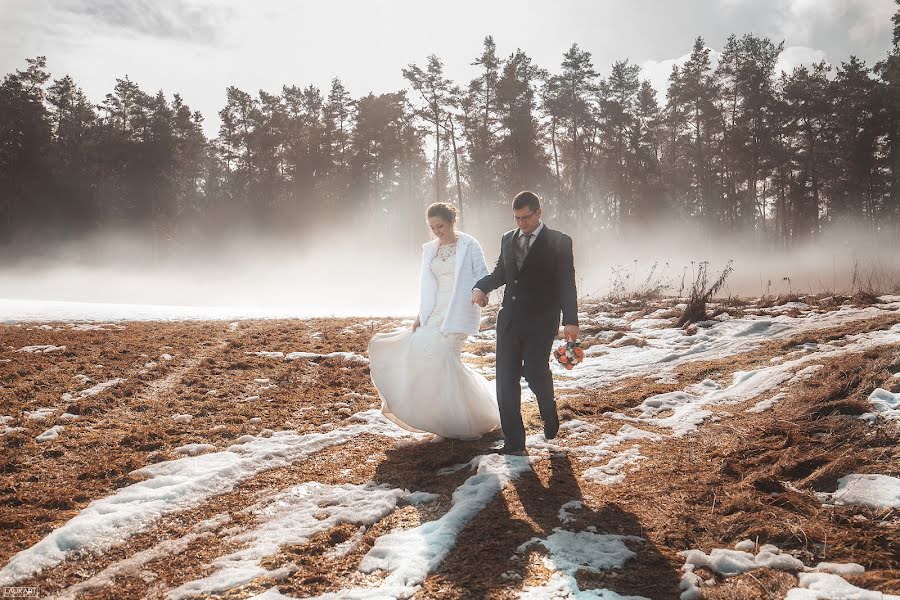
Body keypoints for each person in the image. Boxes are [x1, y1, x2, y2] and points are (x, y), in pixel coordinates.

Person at [368, 202, 501, 440]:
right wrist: (422, 313)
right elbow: (428, 285)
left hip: (459, 309)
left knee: (445, 360)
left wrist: (481, 293)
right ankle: (443, 420)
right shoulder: (430, 249)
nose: (436, 231)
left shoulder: (469, 244)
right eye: (432, 227)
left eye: (440, 225)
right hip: (435, 311)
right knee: (424, 355)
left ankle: (466, 419)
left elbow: (483, 274)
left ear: (452, 221)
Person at [472, 191, 579, 455]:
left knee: (534, 371)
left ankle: (548, 409)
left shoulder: (559, 241)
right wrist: (481, 287)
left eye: (526, 218)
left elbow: (566, 282)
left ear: (538, 213)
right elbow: (501, 273)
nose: (521, 223)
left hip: (542, 321)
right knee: (505, 380)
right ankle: (514, 442)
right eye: (517, 218)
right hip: (509, 320)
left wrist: (571, 320)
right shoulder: (507, 239)